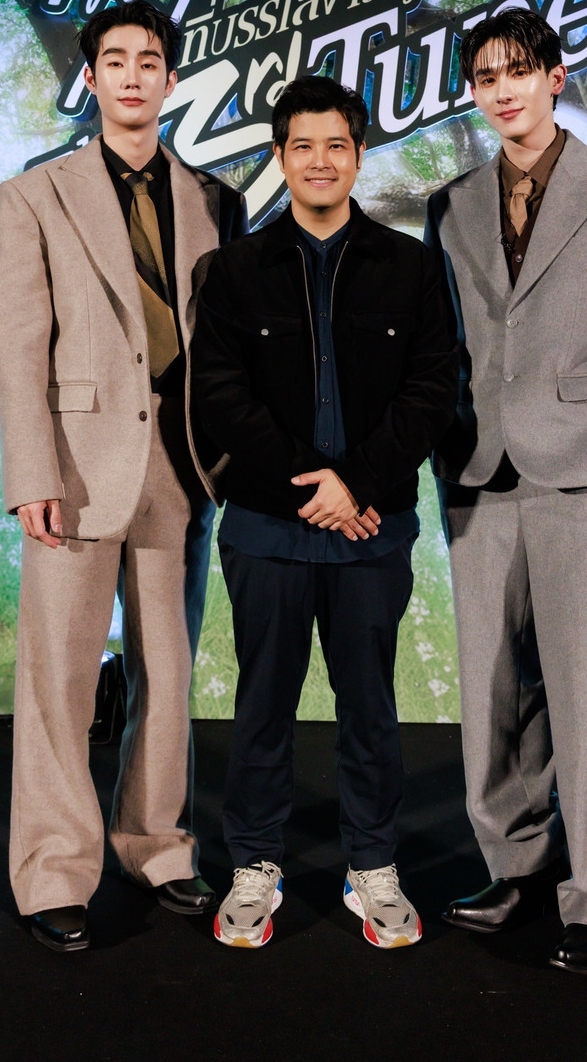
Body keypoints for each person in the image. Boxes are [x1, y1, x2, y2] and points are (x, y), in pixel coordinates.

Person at [426, 8, 587, 975]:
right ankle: (517, 866)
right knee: (494, 689)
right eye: (486, 76)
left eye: (519, 70)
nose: (503, 90)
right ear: (473, 91)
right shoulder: (450, 203)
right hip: (477, 469)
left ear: (555, 77)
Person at [0, 0, 248, 951]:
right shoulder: (33, 195)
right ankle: (56, 869)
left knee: (167, 673)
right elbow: (18, 344)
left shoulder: (216, 200)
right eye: (115, 59)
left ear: (171, 80)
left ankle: (156, 846)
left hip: (183, 465)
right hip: (75, 468)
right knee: (59, 677)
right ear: (89, 77)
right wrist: (31, 470)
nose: (133, 74)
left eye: (149, 60)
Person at [191, 75, 457, 949]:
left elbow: (432, 391)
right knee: (262, 705)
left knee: (370, 709)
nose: (318, 161)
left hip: (372, 532)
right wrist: (317, 488)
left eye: (335, 145)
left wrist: (360, 486)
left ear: (358, 155)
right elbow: (221, 398)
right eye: (300, 145)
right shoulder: (232, 271)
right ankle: (254, 865)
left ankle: (372, 866)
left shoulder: (413, 266)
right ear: (279, 157)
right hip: (267, 531)